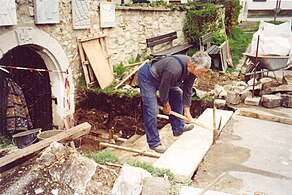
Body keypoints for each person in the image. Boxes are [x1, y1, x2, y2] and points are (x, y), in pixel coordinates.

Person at [138, 52, 211, 153]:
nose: (202, 74)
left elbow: (187, 90)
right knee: (152, 109)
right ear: (194, 66)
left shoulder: (192, 71)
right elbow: (164, 89)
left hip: (164, 78)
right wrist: (166, 105)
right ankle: (154, 143)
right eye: (202, 72)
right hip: (148, 77)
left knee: (178, 93)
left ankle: (178, 128)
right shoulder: (174, 69)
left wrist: (187, 111)